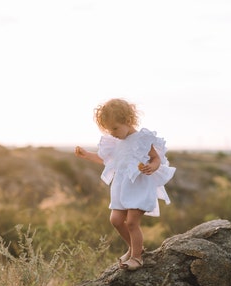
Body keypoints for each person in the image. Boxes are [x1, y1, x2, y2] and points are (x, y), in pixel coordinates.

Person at [75, 98, 176, 271]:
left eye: (115, 128)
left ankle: (137, 257)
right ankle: (134, 248)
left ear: (128, 121)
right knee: (115, 220)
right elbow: (105, 160)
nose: (112, 133)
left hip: (139, 186)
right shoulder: (116, 143)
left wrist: (152, 166)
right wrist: (86, 155)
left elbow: (156, 158)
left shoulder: (142, 138)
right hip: (122, 188)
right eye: (109, 129)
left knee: (131, 223)